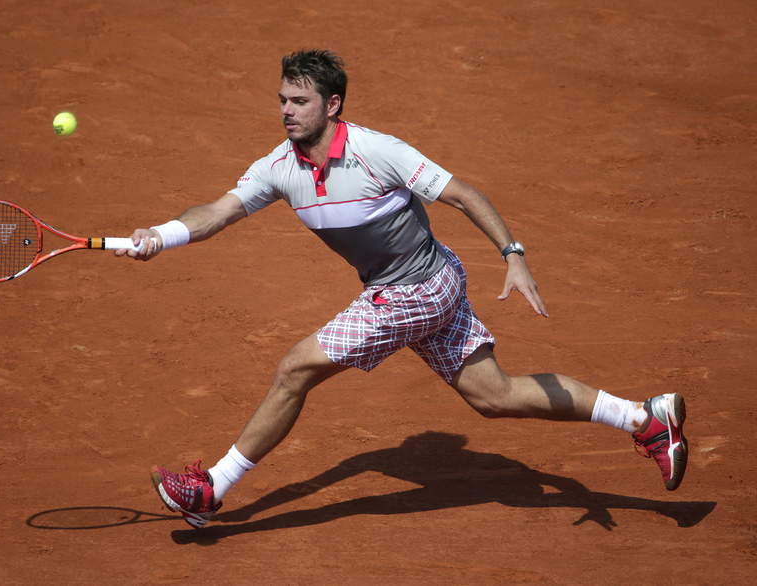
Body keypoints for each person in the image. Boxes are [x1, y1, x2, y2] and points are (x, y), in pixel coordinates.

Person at [117, 49, 688, 530]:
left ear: (332, 105)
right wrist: (160, 236)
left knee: (296, 368)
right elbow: (217, 212)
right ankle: (645, 418)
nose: (287, 111)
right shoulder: (277, 167)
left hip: (415, 288)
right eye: (283, 100)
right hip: (433, 284)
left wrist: (513, 256)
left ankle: (211, 489)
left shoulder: (379, 152)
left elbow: (463, 194)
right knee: (495, 396)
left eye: (300, 101)